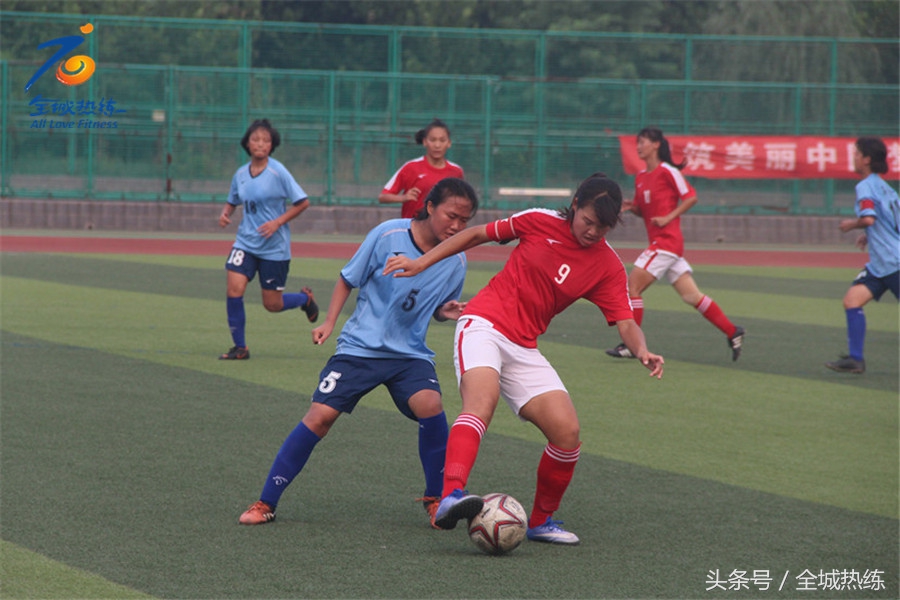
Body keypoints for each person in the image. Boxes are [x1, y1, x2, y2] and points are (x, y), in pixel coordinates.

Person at [383, 173, 664, 545]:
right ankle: (451, 493)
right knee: (482, 402)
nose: (594, 232)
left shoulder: (608, 265)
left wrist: (641, 348)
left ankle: (541, 520)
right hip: (482, 323)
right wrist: (423, 263)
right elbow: (475, 234)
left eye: (604, 227)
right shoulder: (539, 220)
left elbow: (626, 320)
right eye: (589, 221)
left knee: (567, 433)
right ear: (575, 205)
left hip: (524, 346)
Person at [239, 177, 479, 527]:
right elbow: (347, 279)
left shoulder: (455, 260)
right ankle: (265, 502)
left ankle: (437, 500)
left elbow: (436, 307)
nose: (457, 226)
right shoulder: (387, 235)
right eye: (451, 216)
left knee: (432, 406)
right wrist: (330, 323)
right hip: (359, 350)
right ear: (430, 207)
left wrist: (447, 311)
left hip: (409, 355)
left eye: (465, 221)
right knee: (319, 418)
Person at [606, 127, 745, 362]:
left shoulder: (668, 171)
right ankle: (733, 331)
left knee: (633, 287)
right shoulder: (640, 178)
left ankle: (630, 345)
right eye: (637, 142)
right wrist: (633, 207)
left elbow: (691, 196)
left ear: (656, 144)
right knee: (692, 296)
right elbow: (645, 211)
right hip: (666, 247)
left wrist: (669, 218)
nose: (638, 146)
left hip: (666, 243)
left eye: (642, 142)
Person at [218, 118, 319, 360]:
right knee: (234, 289)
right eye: (255, 139)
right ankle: (240, 347)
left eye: (265, 140)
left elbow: (303, 202)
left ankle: (305, 300)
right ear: (247, 143)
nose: (260, 143)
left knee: (272, 304)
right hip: (245, 242)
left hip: (274, 248)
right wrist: (226, 213)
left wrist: (277, 222)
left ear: (272, 145)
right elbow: (233, 199)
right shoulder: (241, 174)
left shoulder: (278, 172)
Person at [826, 137, 899, 374]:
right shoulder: (886, 188)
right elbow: (889, 223)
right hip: (881, 265)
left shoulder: (865, 186)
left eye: (857, 153)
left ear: (867, 159)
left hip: (893, 263)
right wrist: (870, 235)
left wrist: (853, 225)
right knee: (852, 300)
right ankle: (855, 359)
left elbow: (868, 218)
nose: (854, 157)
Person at [379, 118, 465, 219]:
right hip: (412, 229)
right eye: (433, 140)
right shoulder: (411, 167)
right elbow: (383, 197)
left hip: (442, 231)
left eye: (442, 140)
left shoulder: (456, 171)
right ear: (425, 142)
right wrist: (403, 198)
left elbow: (460, 201)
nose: (437, 145)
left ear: (449, 143)